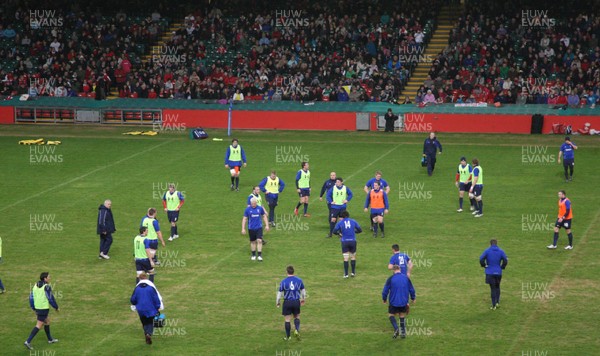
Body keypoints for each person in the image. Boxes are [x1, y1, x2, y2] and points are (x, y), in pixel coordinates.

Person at [24, 272, 59, 350]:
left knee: (47, 321)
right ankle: (28, 341)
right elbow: (50, 298)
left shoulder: (35, 286)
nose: (50, 278)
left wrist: (33, 307)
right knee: (39, 325)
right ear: (45, 278)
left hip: (38, 308)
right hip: (43, 309)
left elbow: (31, 298)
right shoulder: (46, 287)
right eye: (49, 277)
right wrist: (56, 307)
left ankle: (50, 339)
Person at [382, 265, 416, 339]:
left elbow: (385, 290)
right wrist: (413, 298)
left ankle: (396, 328)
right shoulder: (406, 278)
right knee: (402, 315)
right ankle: (403, 333)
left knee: (391, 315)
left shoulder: (391, 278)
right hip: (404, 301)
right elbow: (411, 289)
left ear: (393, 270)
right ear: (399, 269)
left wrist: (384, 299)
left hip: (393, 301)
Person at [130, 272, 163, 345]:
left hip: (140, 309)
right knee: (150, 322)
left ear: (139, 279)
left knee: (144, 321)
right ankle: (148, 334)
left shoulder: (137, 288)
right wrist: (158, 307)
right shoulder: (151, 288)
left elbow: (133, 299)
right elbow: (156, 298)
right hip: (151, 308)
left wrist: (135, 304)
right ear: (146, 278)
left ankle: (146, 333)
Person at [276, 265, 306, 341]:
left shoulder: (283, 281)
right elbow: (303, 291)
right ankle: (296, 330)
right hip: (296, 301)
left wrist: (278, 302)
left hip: (287, 302)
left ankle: (288, 337)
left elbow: (279, 294)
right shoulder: (299, 280)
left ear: (287, 272)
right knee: (297, 316)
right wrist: (303, 299)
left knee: (287, 319)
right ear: (293, 272)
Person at [479, 239, 508, 310]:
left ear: (490, 244)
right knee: (497, 287)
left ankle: (493, 305)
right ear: (496, 243)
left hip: (490, 272)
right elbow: (505, 260)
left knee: (493, 288)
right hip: (498, 272)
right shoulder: (501, 251)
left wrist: (484, 265)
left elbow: (481, 259)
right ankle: (497, 302)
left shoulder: (487, 251)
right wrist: (502, 267)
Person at [332, 211, 362, 278]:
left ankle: (346, 274)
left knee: (346, 258)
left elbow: (334, 231)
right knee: (353, 257)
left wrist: (340, 234)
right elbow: (360, 230)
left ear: (342, 217)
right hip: (353, 241)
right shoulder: (353, 221)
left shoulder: (340, 223)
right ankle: (353, 273)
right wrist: (354, 232)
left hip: (344, 241)